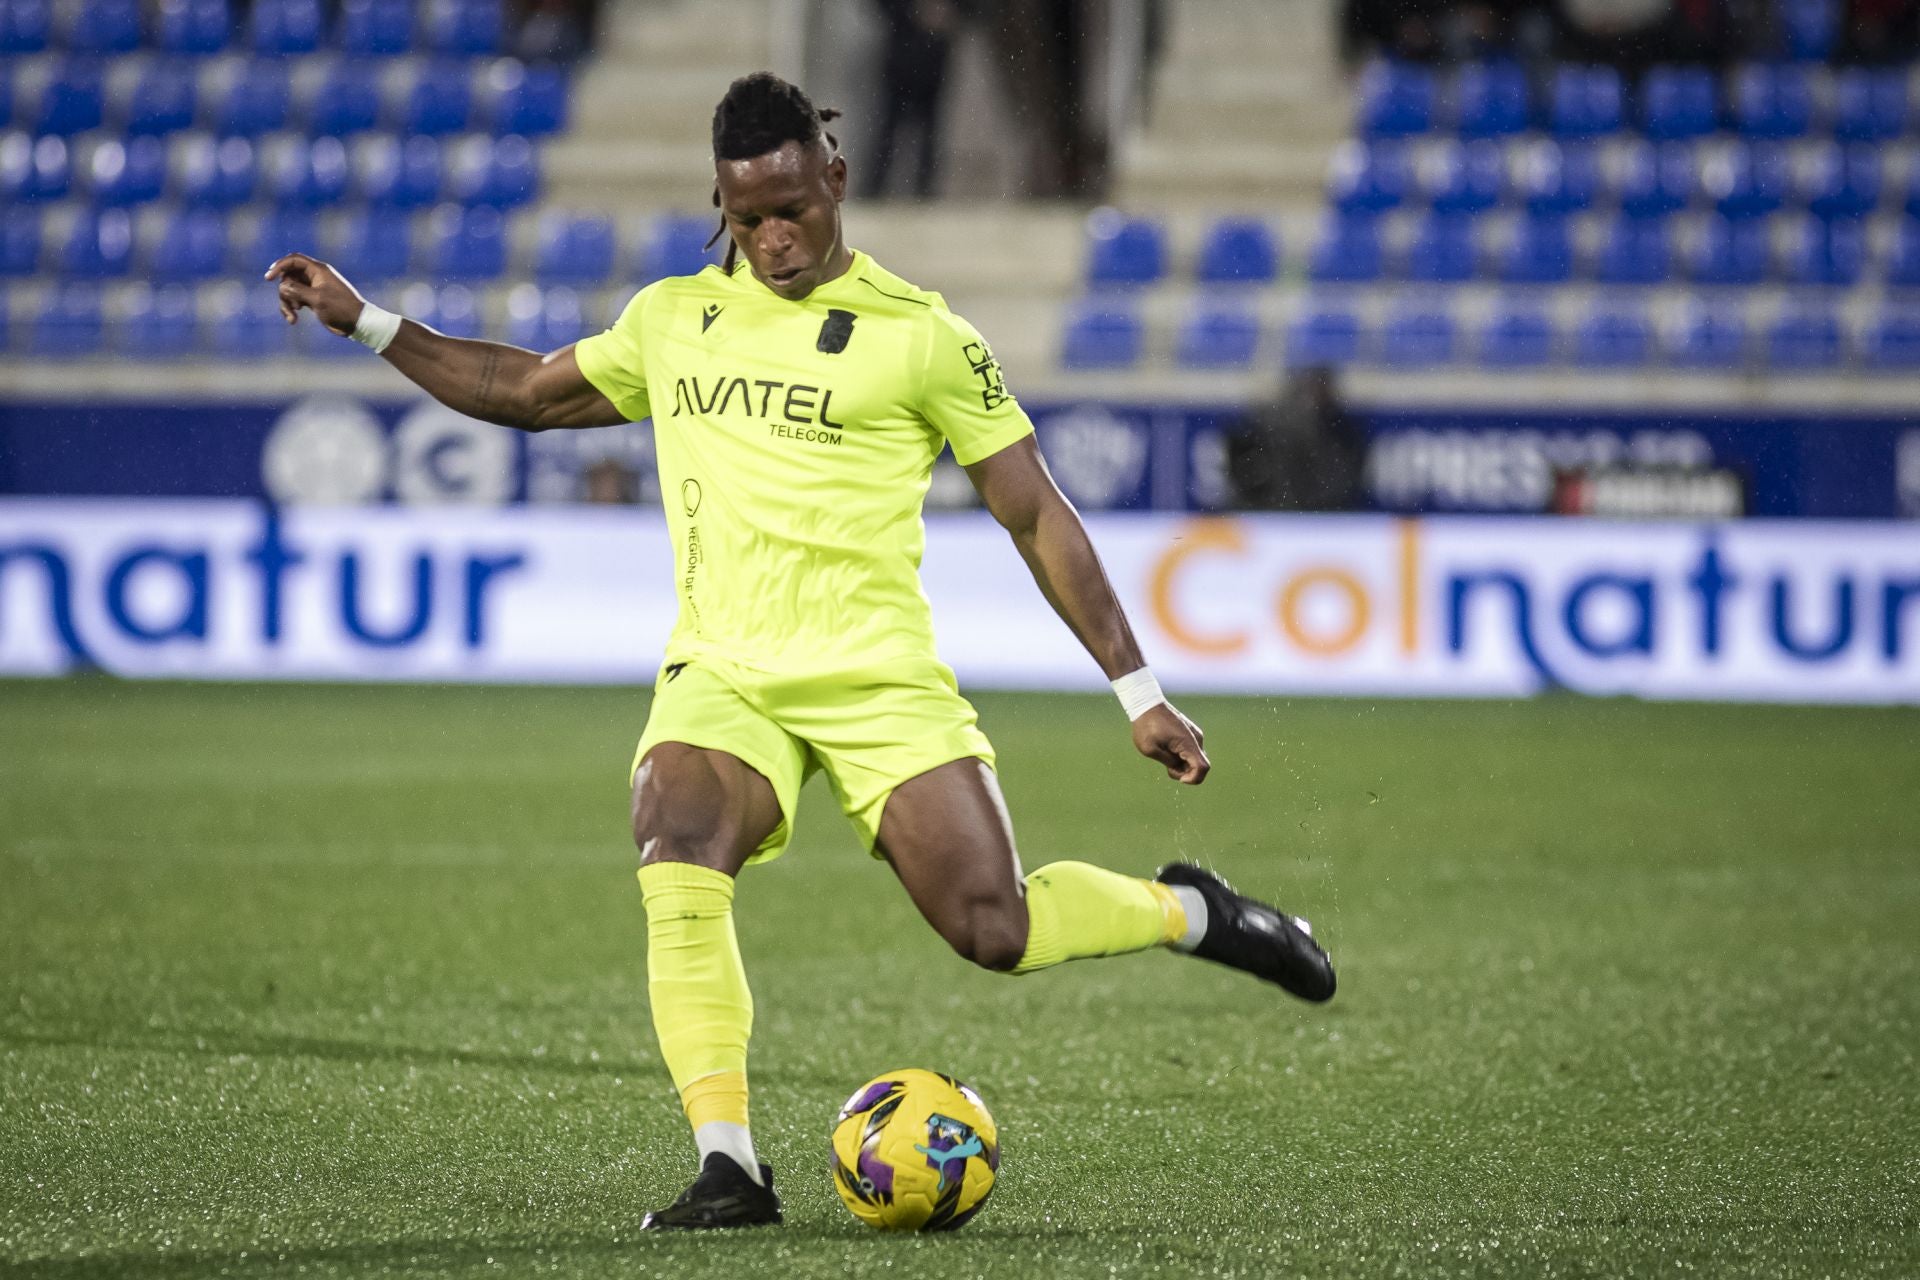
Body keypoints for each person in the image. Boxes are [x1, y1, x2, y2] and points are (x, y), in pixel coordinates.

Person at [264, 72, 1334, 1232]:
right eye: (747, 215)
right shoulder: (675, 316)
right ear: (721, 201)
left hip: (877, 676)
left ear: (837, 178)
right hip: (723, 667)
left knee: (995, 928)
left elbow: (1035, 513)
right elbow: (523, 389)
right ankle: (730, 1162)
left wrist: (1139, 689)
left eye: (793, 210)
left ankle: (1189, 910)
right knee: (674, 840)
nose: (774, 238)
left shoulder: (922, 337)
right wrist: (369, 321)